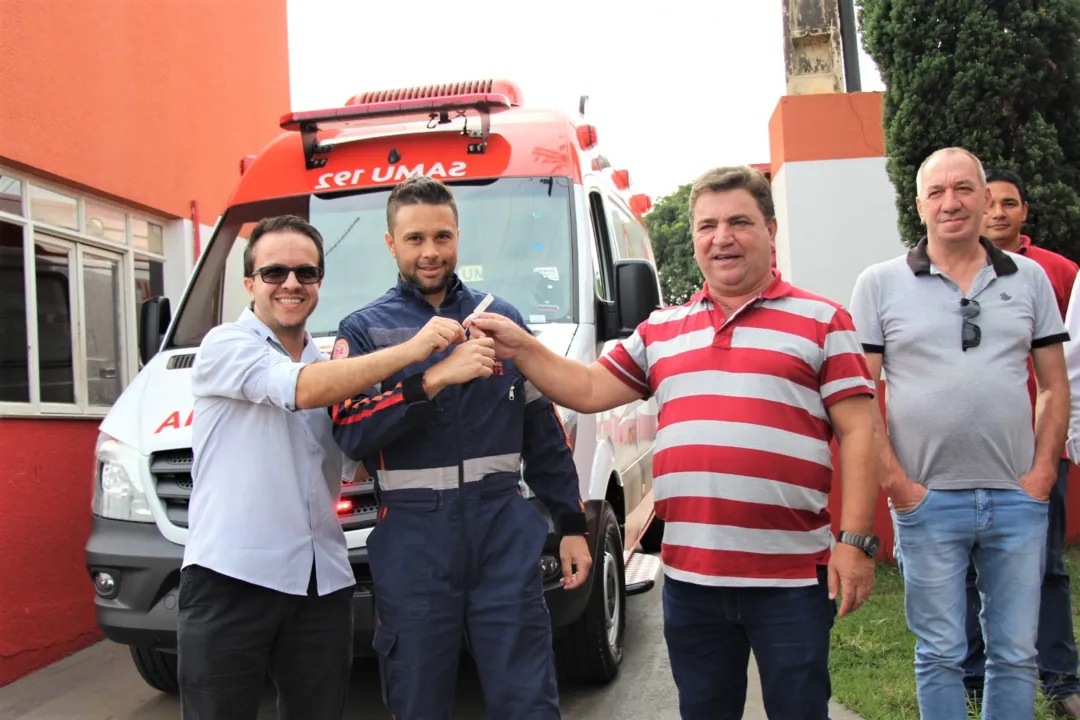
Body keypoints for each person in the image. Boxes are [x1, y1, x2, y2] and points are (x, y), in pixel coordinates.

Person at [469, 165, 880, 720]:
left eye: (739, 221)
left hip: (790, 578)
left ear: (771, 229)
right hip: (691, 582)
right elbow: (588, 388)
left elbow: (860, 432)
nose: (722, 237)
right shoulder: (661, 330)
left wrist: (855, 544)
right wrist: (523, 346)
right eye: (707, 225)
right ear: (693, 238)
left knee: (800, 711)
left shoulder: (822, 320)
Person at [178, 214, 465, 719]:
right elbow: (301, 388)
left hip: (321, 583)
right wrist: (415, 351)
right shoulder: (226, 345)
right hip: (231, 577)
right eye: (273, 273)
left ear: (318, 284)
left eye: (305, 273)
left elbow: (359, 446)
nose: (291, 283)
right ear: (250, 283)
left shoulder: (331, 360)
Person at [329, 176, 592, 719]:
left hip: (503, 530)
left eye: (443, 236)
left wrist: (571, 524)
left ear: (458, 236)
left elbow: (543, 435)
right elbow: (351, 432)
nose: (431, 252)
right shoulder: (364, 332)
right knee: (417, 698)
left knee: (528, 698)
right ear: (390, 243)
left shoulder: (502, 320)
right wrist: (431, 380)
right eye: (415, 238)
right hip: (414, 539)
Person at [848, 148, 1071, 720]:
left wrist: (1043, 473)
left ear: (983, 196)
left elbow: (1053, 383)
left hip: (1018, 499)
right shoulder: (878, 285)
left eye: (964, 189)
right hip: (927, 503)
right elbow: (861, 394)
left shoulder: (1030, 279)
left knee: (1016, 654)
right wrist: (897, 482)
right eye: (938, 192)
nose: (952, 202)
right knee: (940, 654)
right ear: (918, 204)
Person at [963, 168, 1080, 716]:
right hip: (968, 456)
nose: (999, 213)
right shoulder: (949, 270)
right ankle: (972, 673)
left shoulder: (1056, 272)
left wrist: (1055, 451)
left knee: (1047, 567)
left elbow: (1067, 373)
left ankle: (1060, 679)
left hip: (1036, 453)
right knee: (966, 567)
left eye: (1011, 203)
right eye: (992, 204)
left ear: (1024, 212)